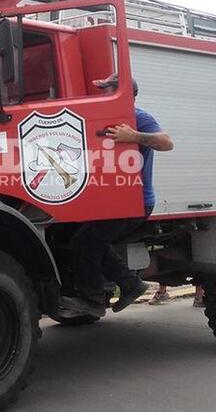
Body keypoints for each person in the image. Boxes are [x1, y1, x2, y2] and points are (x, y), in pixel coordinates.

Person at [60, 77, 174, 317]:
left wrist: (135, 136)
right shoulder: (103, 116)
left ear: (124, 93)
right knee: (88, 241)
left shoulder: (138, 116)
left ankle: (94, 299)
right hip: (114, 202)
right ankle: (131, 285)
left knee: (86, 243)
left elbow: (166, 142)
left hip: (136, 202)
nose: (102, 94)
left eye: (108, 90)